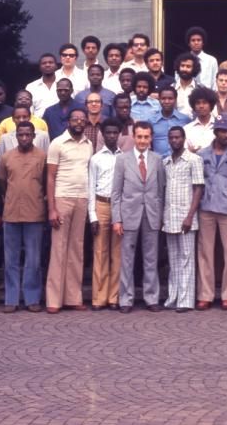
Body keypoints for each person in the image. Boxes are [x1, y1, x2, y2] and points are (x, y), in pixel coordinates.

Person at [110, 121, 167, 313]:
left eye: (146, 137)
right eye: (139, 136)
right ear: (134, 137)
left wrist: (160, 216)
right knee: (127, 259)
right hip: (129, 215)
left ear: (151, 138)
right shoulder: (122, 160)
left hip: (151, 215)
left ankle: (151, 298)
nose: (143, 140)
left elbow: (160, 191)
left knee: (151, 258)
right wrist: (117, 219)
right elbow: (116, 193)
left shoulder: (157, 160)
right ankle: (126, 299)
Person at [45, 107, 94, 312]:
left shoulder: (89, 144)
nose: (79, 122)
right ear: (68, 122)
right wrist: (52, 209)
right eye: (75, 119)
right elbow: (50, 177)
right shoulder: (57, 143)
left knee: (77, 249)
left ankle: (73, 298)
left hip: (82, 198)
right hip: (62, 197)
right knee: (58, 249)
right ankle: (54, 300)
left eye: (83, 119)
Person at [0, 121, 48, 312]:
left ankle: (32, 298)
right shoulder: (7, 157)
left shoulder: (42, 157)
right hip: (11, 213)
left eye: (28, 134)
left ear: (34, 136)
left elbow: (45, 182)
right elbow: (1, 181)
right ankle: (11, 299)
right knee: (11, 259)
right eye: (21, 134)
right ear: (16, 136)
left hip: (35, 213)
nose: (24, 138)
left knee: (33, 259)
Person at [196, 115, 227, 310]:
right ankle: (205, 295)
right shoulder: (202, 154)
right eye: (223, 131)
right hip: (206, 206)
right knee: (205, 252)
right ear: (215, 132)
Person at [162, 125, 204, 312]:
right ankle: (174, 297)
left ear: (184, 138)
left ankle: (186, 301)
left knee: (187, 258)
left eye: (178, 137)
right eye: (171, 138)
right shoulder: (166, 162)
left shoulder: (194, 160)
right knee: (173, 260)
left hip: (187, 217)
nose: (175, 141)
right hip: (169, 217)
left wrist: (190, 216)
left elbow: (198, 188)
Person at [87, 118, 124, 310]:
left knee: (117, 253)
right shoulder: (96, 158)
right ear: (102, 134)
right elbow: (90, 187)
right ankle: (99, 297)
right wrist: (92, 215)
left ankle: (114, 297)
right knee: (100, 252)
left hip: (119, 207)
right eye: (108, 132)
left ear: (119, 134)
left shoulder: (124, 157)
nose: (111, 136)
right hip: (101, 204)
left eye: (114, 133)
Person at [151, 85, 192, 157]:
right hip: (159, 163)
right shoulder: (151, 121)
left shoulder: (185, 120)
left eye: (170, 98)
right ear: (159, 100)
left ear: (175, 100)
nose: (167, 101)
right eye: (163, 98)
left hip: (180, 163)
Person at [183, 86, 218, 153]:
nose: (201, 106)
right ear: (194, 106)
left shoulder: (219, 127)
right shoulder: (187, 129)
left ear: (211, 104)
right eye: (198, 103)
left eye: (204, 102)